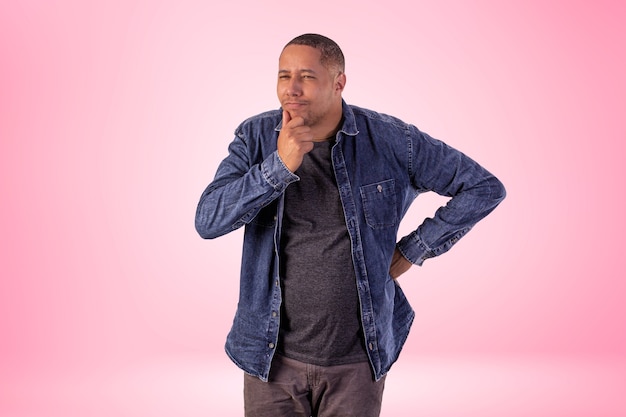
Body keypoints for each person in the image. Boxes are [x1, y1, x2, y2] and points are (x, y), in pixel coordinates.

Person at [195, 33, 506, 417]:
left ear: (338, 82)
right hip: (269, 359)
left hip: (357, 362)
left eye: (306, 76)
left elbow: (483, 187)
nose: (291, 89)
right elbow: (208, 220)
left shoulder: (392, 140)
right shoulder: (256, 137)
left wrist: (412, 250)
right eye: (283, 76)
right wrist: (279, 165)